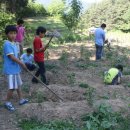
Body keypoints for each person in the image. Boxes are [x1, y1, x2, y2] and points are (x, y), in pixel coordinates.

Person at [3, 25, 28, 111]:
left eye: (14, 33)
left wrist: (21, 61)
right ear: (7, 34)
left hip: (16, 69)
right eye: (11, 33)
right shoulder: (7, 44)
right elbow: (12, 57)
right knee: (12, 87)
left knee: (18, 85)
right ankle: (7, 102)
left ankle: (21, 99)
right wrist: (22, 63)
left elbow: (17, 55)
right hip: (10, 70)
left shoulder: (14, 43)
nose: (13, 35)